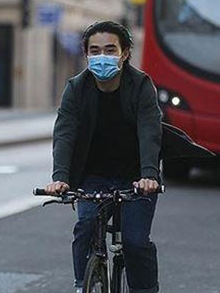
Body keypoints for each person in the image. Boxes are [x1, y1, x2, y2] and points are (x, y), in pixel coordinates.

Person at [44, 20, 162, 293]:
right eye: (94, 51)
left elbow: (149, 131)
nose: (102, 57)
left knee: (134, 242)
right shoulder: (76, 88)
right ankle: (81, 284)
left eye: (110, 50)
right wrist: (60, 178)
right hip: (92, 176)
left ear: (125, 53)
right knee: (85, 227)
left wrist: (149, 175)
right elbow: (65, 133)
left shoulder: (141, 86)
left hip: (136, 177)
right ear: (86, 54)